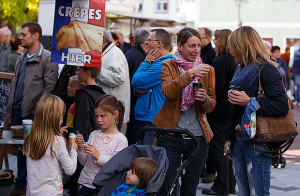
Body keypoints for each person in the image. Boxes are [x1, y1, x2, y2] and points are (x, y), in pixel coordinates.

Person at [225, 26, 289, 196]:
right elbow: (234, 111)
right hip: (239, 139)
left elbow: (282, 106)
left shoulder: (266, 70)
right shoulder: (240, 70)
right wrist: (228, 138)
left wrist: (250, 101)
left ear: (242, 46)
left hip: (259, 141)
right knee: (244, 192)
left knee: (258, 193)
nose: (230, 51)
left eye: (233, 47)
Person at [153, 27, 216, 196]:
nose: (196, 50)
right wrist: (189, 74)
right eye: (191, 46)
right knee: (167, 185)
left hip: (198, 138)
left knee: (190, 186)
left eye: (198, 46)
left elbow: (211, 105)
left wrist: (204, 99)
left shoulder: (207, 70)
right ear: (180, 46)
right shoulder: (168, 65)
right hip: (171, 135)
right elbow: (168, 92)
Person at [6, 21, 58, 196]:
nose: (20, 37)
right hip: (17, 111)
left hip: (33, 114)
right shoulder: (21, 58)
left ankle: (31, 186)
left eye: (23, 34)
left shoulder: (47, 58)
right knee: (20, 149)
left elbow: (49, 87)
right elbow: (15, 86)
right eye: (20, 34)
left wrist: (37, 109)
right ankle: (21, 184)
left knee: (35, 151)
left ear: (35, 36)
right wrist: (9, 109)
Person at [202, 29, 237, 196]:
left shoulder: (222, 61)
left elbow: (216, 89)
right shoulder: (231, 59)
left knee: (218, 149)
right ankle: (229, 184)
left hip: (219, 111)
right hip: (227, 110)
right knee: (225, 149)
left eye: (216, 39)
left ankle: (222, 186)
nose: (214, 41)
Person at [23, 94, 78, 195]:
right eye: (61, 116)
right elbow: (70, 170)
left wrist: (57, 134)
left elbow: (46, 151)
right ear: (56, 118)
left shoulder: (30, 136)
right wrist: (73, 150)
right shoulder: (57, 141)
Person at [75, 95, 128, 196]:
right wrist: (80, 148)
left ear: (115, 114)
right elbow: (83, 162)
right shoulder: (94, 134)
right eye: (96, 116)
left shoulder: (121, 140)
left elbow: (115, 167)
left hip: (103, 187)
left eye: (102, 116)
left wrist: (98, 156)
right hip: (85, 183)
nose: (98, 119)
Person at [131, 29, 173, 145]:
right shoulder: (158, 61)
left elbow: (136, 81)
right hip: (148, 116)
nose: (146, 43)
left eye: (149, 40)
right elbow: (140, 86)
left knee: (147, 158)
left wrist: (145, 62)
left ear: (159, 43)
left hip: (152, 119)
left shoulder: (163, 63)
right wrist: (138, 91)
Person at [97, 30, 131, 135]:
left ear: (103, 41)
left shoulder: (115, 54)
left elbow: (118, 78)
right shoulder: (109, 52)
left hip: (112, 110)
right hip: (107, 109)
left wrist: (96, 71)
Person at [125, 27, 150, 145]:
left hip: (131, 103)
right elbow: (139, 84)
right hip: (135, 104)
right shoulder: (139, 57)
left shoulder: (132, 52)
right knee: (134, 139)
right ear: (147, 42)